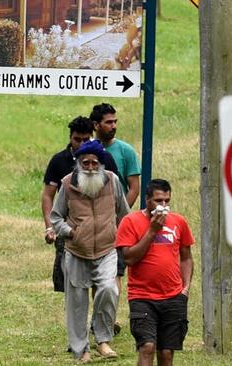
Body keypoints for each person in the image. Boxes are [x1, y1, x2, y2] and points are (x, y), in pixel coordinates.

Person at [51, 140, 130, 362]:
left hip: (107, 249)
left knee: (108, 290)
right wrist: (69, 231)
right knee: (77, 302)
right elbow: (56, 217)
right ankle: (80, 349)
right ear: (78, 163)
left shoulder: (112, 181)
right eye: (85, 163)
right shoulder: (67, 184)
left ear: (101, 164)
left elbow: (124, 212)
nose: (91, 167)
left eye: (95, 163)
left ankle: (103, 340)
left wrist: (124, 237)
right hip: (76, 250)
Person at [116, 179, 194, 366]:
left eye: (167, 201)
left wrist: (185, 289)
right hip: (142, 297)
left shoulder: (179, 222)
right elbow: (129, 258)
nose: (163, 206)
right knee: (147, 347)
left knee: (166, 352)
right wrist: (152, 230)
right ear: (147, 199)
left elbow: (186, 257)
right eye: (158, 201)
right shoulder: (130, 221)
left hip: (173, 296)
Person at [41, 116, 119, 293]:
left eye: (86, 139)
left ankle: (99, 321)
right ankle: (76, 320)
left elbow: (117, 194)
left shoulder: (105, 159)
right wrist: (50, 227)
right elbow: (48, 195)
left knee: (104, 284)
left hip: (104, 234)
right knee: (71, 285)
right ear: (70, 137)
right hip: (71, 232)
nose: (82, 144)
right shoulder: (59, 161)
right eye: (77, 139)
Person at [90, 102, 141, 334]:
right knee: (92, 275)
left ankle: (108, 319)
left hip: (117, 225)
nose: (113, 126)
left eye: (115, 121)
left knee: (115, 273)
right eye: (108, 122)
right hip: (90, 224)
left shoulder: (125, 151)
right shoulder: (88, 151)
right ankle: (97, 317)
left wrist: (122, 216)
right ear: (96, 125)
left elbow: (133, 187)